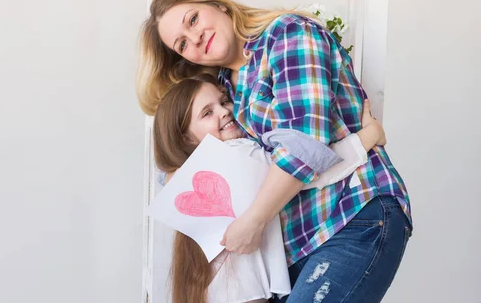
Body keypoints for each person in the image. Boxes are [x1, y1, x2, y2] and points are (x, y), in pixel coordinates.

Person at [137, 0, 412, 302]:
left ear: (219, 6)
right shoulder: (226, 89)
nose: (195, 38)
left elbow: (305, 145)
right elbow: (187, 161)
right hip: (294, 246)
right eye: (182, 44)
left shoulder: (287, 34)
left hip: (351, 213)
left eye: (193, 19)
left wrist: (252, 221)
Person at [152, 74, 386, 303]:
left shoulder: (191, 179)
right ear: (186, 138)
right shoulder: (242, 153)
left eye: (223, 101)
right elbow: (310, 166)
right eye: (207, 113)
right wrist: (368, 136)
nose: (224, 111)